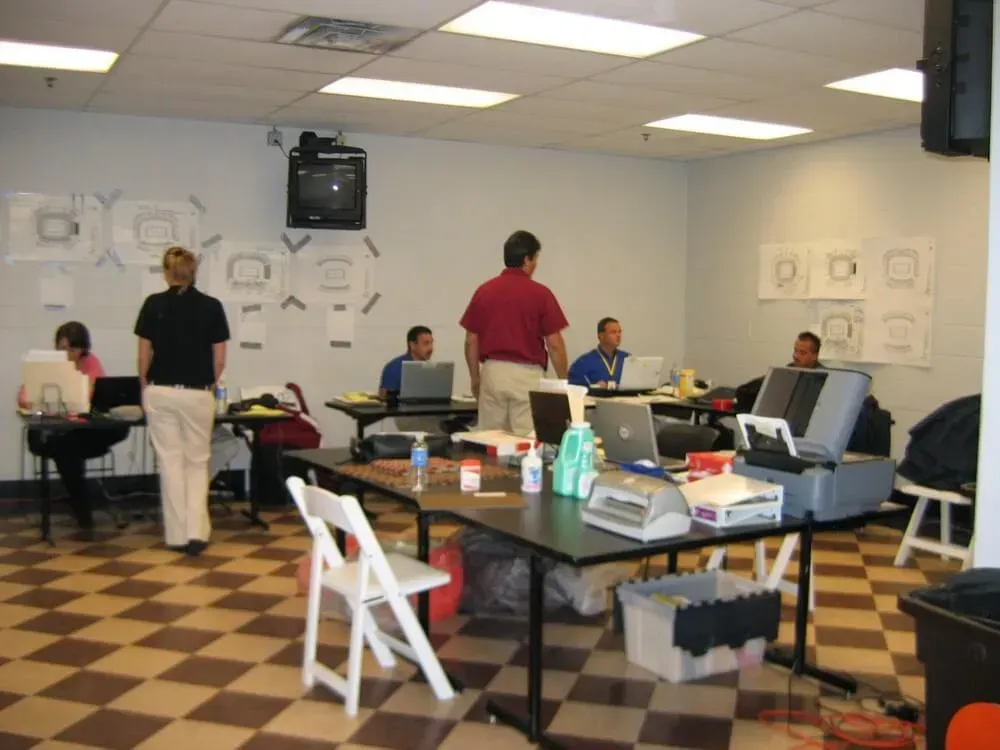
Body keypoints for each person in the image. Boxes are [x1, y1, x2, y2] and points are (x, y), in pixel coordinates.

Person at [135, 246, 230, 556]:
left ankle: (175, 535)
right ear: (194, 271)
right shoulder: (212, 306)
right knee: (197, 463)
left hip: (160, 391)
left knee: (170, 463)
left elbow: (143, 355)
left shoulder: (153, 304)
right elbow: (219, 360)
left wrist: (145, 386)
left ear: (167, 272)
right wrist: (210, 386)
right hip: (197, 393)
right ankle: (197, 533)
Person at [18, 322, 129, 533]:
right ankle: (82, 511)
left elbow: (95, 397)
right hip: (53, 431)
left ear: (83, 348)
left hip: (80, 431)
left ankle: (81, 507)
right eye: (62, 349)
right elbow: (24, 398)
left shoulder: (91, 363)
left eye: (73, 348)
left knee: (70, 449)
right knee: (65, 450)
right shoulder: (45, 366)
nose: (68, 354)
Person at [460, 230, 569, 435]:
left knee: (490, 440)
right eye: (536, 258)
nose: (536, 263)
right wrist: (563, 380)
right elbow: (554, 344)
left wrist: (475, 378)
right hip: (526, 376)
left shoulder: (484, 291)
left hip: (492, 373)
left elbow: (470, 340)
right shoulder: (541, 293)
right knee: (526, 443)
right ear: (527, 259)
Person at [568, 317, 629, 388]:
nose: (618, 335)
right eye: (613, 332)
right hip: (597, 399)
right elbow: (574, 389)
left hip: (626, 398)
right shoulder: (583, 363)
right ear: (601, 335)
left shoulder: (627, 359)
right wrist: (594, 387)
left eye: (619, 332)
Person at [378, 326, 434, 398]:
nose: (431, 348)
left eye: (431, 343)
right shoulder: (394, 367)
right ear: (412, 345)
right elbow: (384, 399)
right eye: (426, 344)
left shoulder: (431, 369)